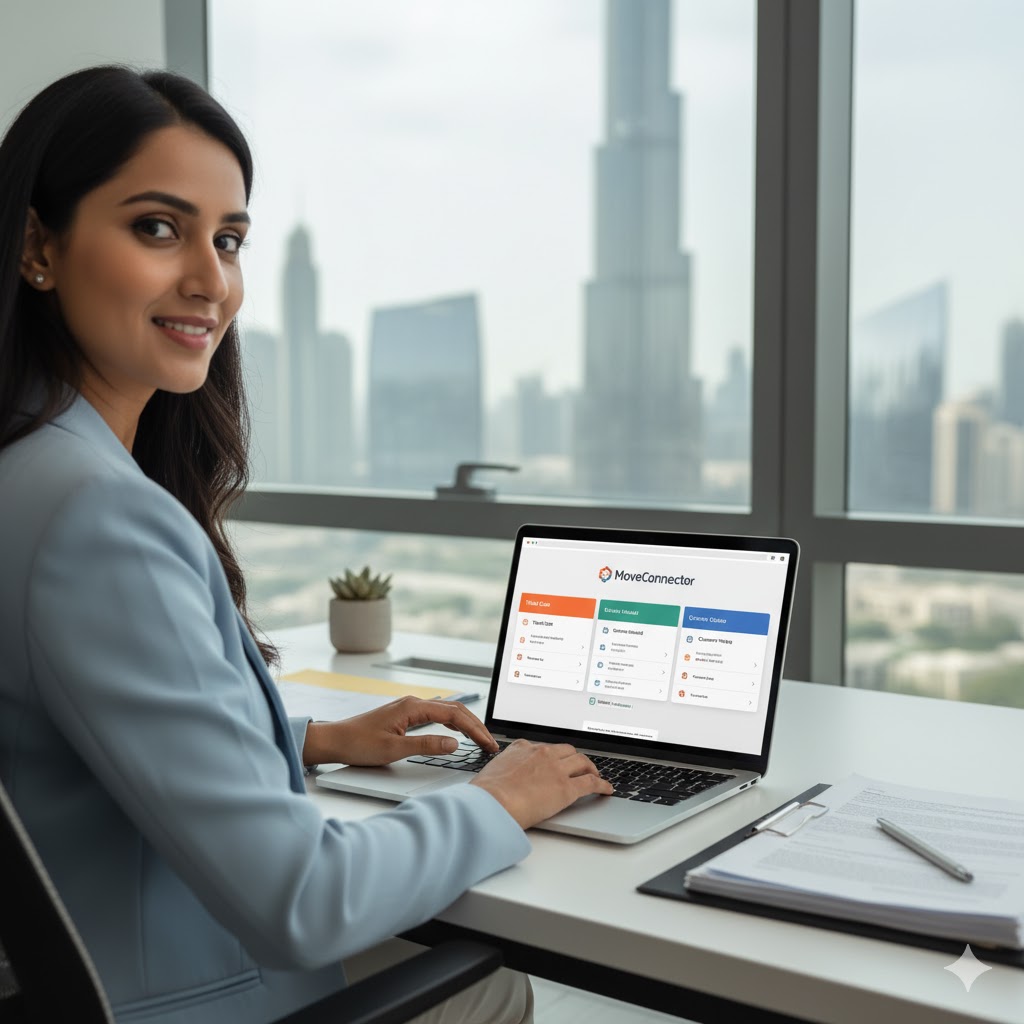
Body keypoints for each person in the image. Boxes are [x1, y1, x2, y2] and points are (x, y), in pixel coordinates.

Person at [0, 65, 612, 1024]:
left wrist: (316, 739)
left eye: (230, 238)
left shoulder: (27, 477)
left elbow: (78, 744)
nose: (211, 279)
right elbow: (301, 901)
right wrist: (502, 798)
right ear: (39, 244)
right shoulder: (96, 516)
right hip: (189, 1000)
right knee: (494, 989)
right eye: (157, 228)